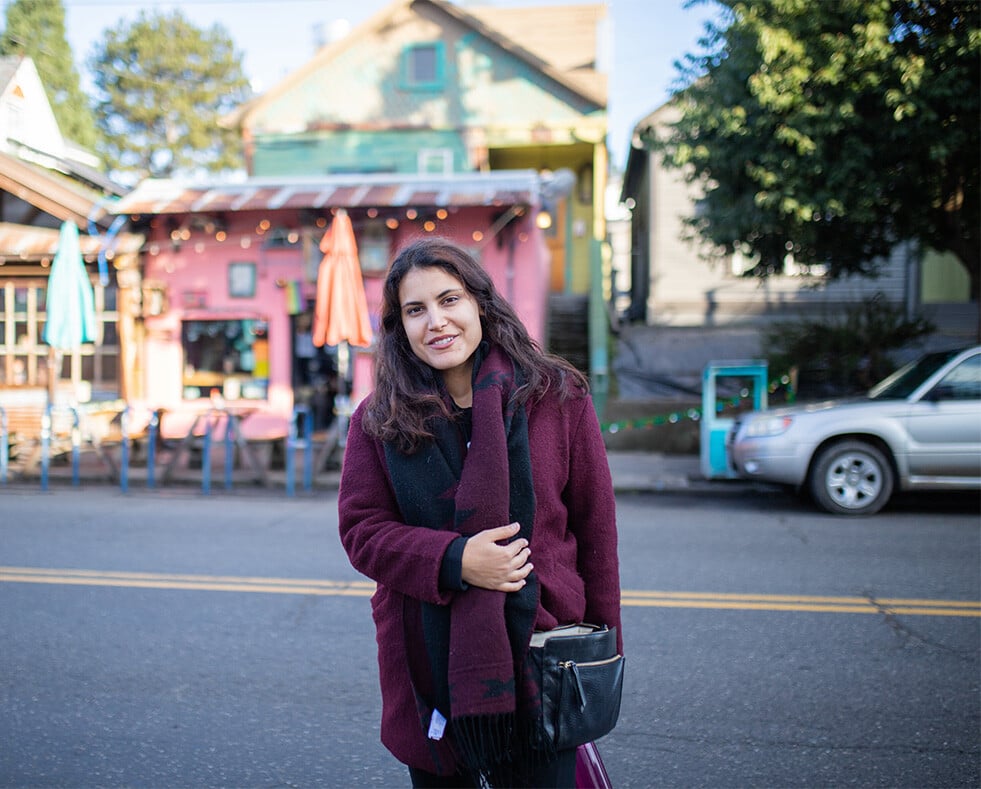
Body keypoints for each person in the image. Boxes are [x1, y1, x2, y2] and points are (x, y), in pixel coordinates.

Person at [338, 237, 621, 788]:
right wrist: (456, 559)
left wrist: (602, 656)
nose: (436, 322)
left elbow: (596, 531)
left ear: (481, 305)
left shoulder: (556, 397)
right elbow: (362, 532)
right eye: (415, 310)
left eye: (450, 300)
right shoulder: (379, 420)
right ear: (400, 327)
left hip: (543, 659)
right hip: (430, 664)